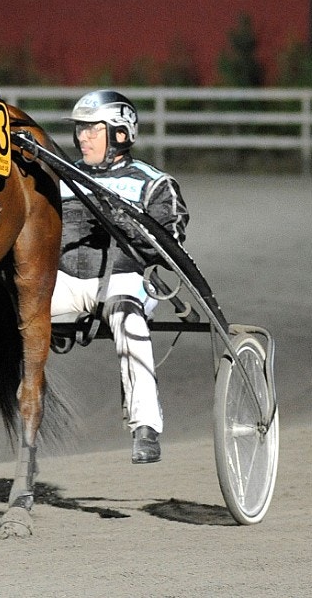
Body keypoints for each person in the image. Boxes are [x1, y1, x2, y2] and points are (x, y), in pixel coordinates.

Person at [50, 90, 189, 464]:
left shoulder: (154, 184)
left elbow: (171, 243)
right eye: (80, 130)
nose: (82, 138)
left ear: (120, 134)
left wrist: (134, 227)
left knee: (128, 317)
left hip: (125, 280)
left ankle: (146, 425)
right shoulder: (60, 178)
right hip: (67, 282)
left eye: (93, 129)